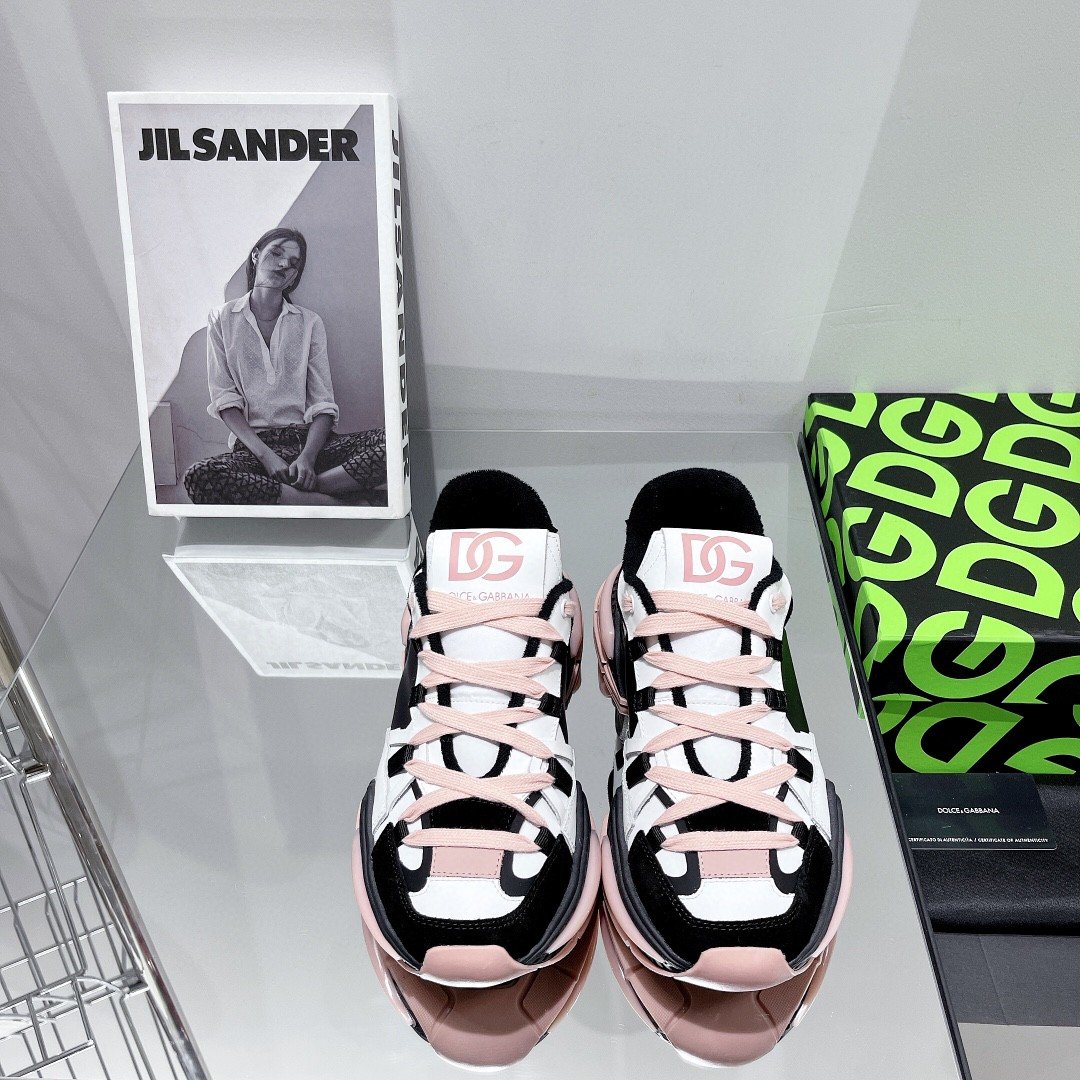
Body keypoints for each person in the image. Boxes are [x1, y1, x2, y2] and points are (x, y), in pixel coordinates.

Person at [184, 227, 387, 506]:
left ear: (295, 275)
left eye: (293, 263)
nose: (283, 264)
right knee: (200, 476)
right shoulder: (222, 319)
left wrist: (307, 458)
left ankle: (307, 492)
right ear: (256, 255)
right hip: (254, 451)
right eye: (276, 253)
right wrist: (267, 457)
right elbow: (224, 399)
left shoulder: (309, 322)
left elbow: (323, 404)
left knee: (396, 442)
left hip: (312, 446)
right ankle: (335, 503)